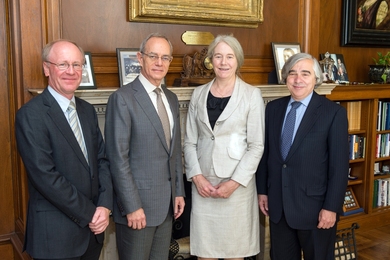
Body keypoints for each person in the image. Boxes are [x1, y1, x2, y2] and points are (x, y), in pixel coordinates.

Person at [15, 39, 113, 260]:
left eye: (77, 65)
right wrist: (91, 214)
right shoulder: (31, 115)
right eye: (63, 65)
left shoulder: (87, 111)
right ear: (46, 68)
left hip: (92, 235)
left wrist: (105, 206)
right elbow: (45, 177)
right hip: (56, 238)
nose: (71, 71)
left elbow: (102, 161)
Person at [256, 53, 349, 260]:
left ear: (316, 78)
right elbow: (266, 154)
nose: (298, 80)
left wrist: (331, 208)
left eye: (305, 74)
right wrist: (262, 191)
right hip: (279, 208)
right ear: (286, 78)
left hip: (316, 210)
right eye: (293, 74)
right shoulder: (272, 109)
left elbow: (339, 167)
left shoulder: (333, 113)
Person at [104, 33, 185, 260]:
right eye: (153, 56)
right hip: (137, 209)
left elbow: (174, 152)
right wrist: (131, 206)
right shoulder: (122, 99)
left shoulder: (171, 98)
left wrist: (178, 191)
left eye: (165, 57)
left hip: (167, 207)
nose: (159, 63)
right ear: (140, 58)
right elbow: (118, 159)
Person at [184, 34, 265, 260]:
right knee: (204, 254)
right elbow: (189, 141)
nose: (223, 62)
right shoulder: (198, 94)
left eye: (229, 56)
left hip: (236, 189)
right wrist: (197, 177)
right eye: (218, 56)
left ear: (237, 60)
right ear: (211, 60)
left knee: (233, 254)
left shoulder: (251, 95)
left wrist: (233, 183)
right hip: (204, 188)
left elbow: (256, 146)